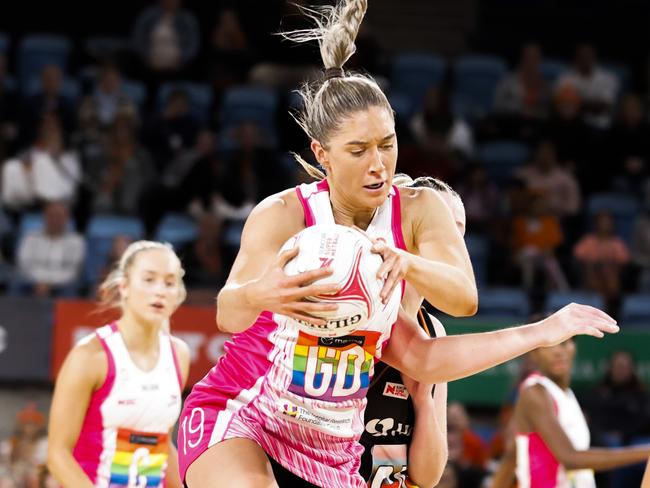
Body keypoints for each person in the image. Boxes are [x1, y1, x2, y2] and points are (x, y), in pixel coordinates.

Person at [178, 2, 618, 487]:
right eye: (359, 150)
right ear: (321, 154)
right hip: (245, 413)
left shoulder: (416, 210)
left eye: (387, 144)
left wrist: (540, 329)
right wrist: (262, 294)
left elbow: (457, 308)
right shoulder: (283, 213)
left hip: (331, 450)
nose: (378, 165)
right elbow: (228, 312)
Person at [47, 241, 191, 488]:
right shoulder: (90, 356)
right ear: (124, 286)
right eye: (149, 279)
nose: (160, 291)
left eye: (169, 283)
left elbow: (162, 441)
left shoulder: (179, 354)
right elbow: (57, 455)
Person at [360, 176, 465, 488]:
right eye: (443, 227)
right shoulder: (355, 306)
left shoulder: (434, 330)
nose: (454, 245)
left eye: (459, 232)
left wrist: (423, 401)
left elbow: (428, 476)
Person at [494, 338, 650, 488]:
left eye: (563, 343)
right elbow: (570, 458)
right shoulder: (535, 391)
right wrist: (644, 452)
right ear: (535, 353)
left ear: (573, 347)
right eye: (549, 345)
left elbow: (512, 454)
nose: (557, 352)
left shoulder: (567, 394)